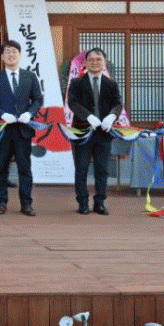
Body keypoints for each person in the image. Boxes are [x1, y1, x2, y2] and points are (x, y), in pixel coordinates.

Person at [0, 40, 43, 216]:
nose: (11, 55)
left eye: (14, 52)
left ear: (20, 55)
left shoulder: (29, 76)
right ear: (2, 57)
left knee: (24, 168)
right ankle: (1, 202)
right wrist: (2, 114)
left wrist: (30, 113)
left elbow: (38, 99)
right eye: (7, 52)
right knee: (1, 168)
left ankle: (26, 204)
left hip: (23, 130)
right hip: (3, 129)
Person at [67, 48, 122, 215]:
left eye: (99, 59)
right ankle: (82, 203)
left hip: (103, 133)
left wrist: (112, 116)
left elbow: (117, 103)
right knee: (81, 168)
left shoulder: (111, 84)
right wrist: (88, 116)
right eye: (91, 59)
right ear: (85, 63)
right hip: (83, 132)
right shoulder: (76, 83)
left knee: (102, 169)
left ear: (104, 62)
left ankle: (100, 202)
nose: (95, 62)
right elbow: (73, 103)